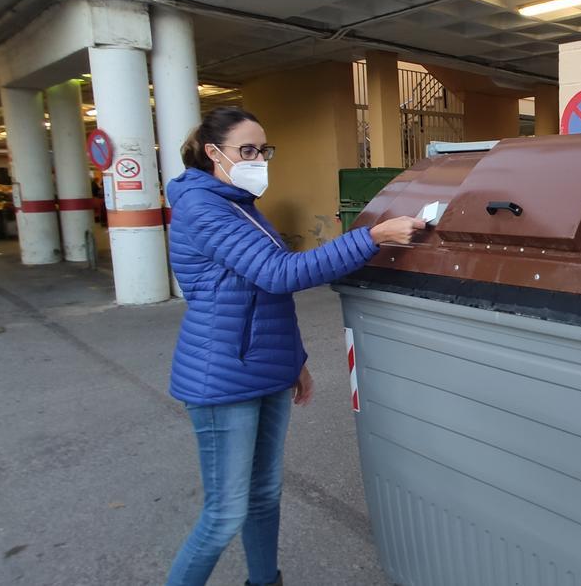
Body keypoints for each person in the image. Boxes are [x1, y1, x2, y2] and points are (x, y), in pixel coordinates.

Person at [164, 107, 423, 586]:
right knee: (224, 515)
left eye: (264, 150)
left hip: (261, 366)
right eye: (248, 150)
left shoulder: (238, 203)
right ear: (212, 152)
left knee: (264, 495)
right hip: (222, 378)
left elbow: (261, 296)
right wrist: (371, 238)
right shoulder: (204, 206)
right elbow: (279, 274)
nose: (259, 159)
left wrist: (294, 361)